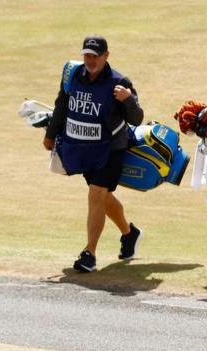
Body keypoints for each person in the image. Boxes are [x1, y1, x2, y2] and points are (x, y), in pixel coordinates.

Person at [43, 35, 145, 273]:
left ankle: (89, 253)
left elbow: (136, 118)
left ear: (106, 56)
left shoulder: (119, 82)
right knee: (102, 197)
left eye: (95, 56)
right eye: (87, 55)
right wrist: (50, 134)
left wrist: (128, 99)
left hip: (110, 149)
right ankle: (130, 234)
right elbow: (61, 105)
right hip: (82, 148)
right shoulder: (73, 76)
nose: (90, 60)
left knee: (96, 194)